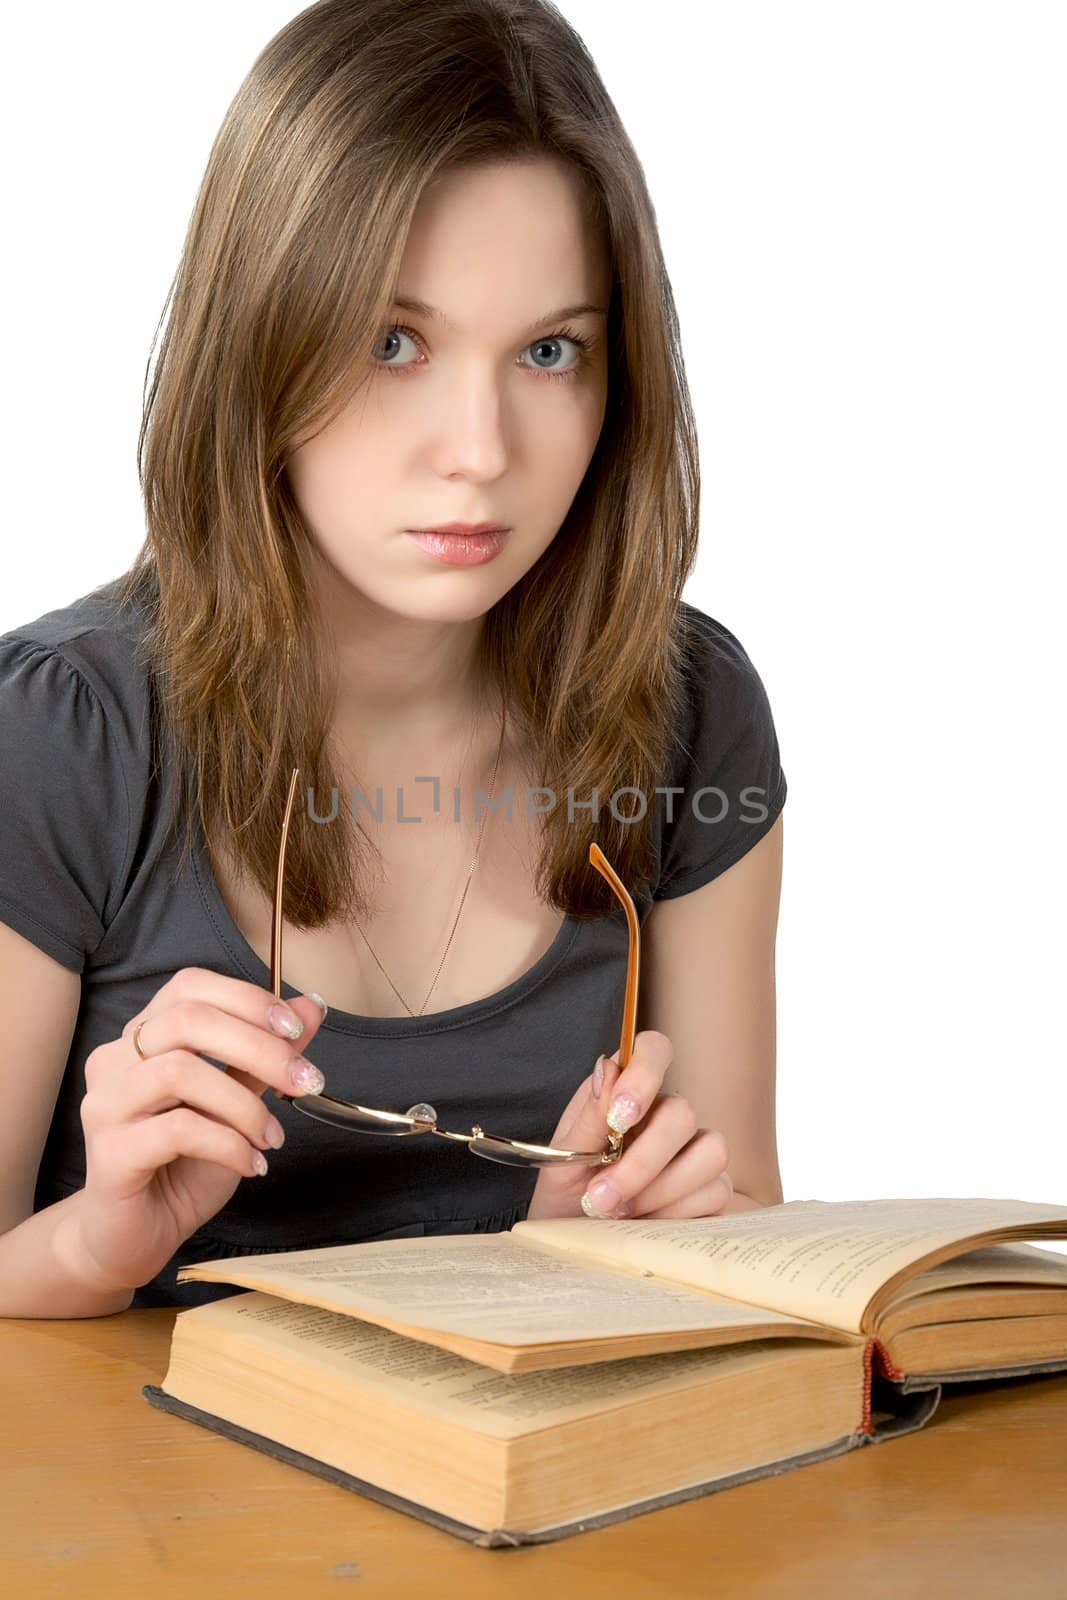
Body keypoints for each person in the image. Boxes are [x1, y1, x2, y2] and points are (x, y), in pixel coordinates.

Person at [0, 0, 786, 1318]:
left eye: (550, 352)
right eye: (392, 342)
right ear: (258, 344)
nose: (479, 448)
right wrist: (98, 1244)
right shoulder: (59, 735)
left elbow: (745, 1223)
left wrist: (592, 1246)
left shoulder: (689, 712)